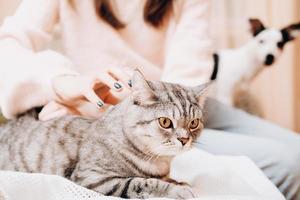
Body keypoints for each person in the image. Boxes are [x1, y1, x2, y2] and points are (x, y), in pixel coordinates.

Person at [0, 0, 299, 199]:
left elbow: (188, 65)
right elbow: (8, 46)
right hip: (131, 116)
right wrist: (64, 84)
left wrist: (165, 105)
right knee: (291, 163)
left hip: (185, 103)